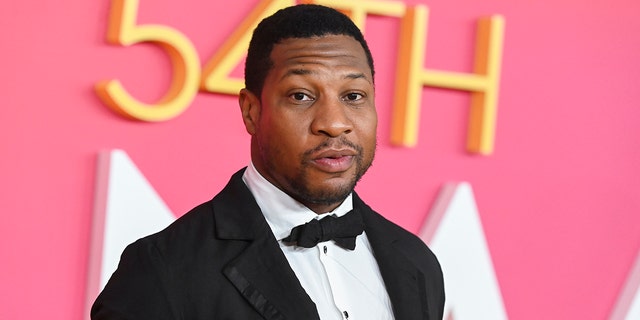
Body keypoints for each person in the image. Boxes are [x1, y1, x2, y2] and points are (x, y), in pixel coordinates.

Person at [91, 4, 445, 320]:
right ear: (250, 111)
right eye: (301, 95)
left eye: (354, 96)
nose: (335, 122)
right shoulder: (161, 270)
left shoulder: (416, 263)